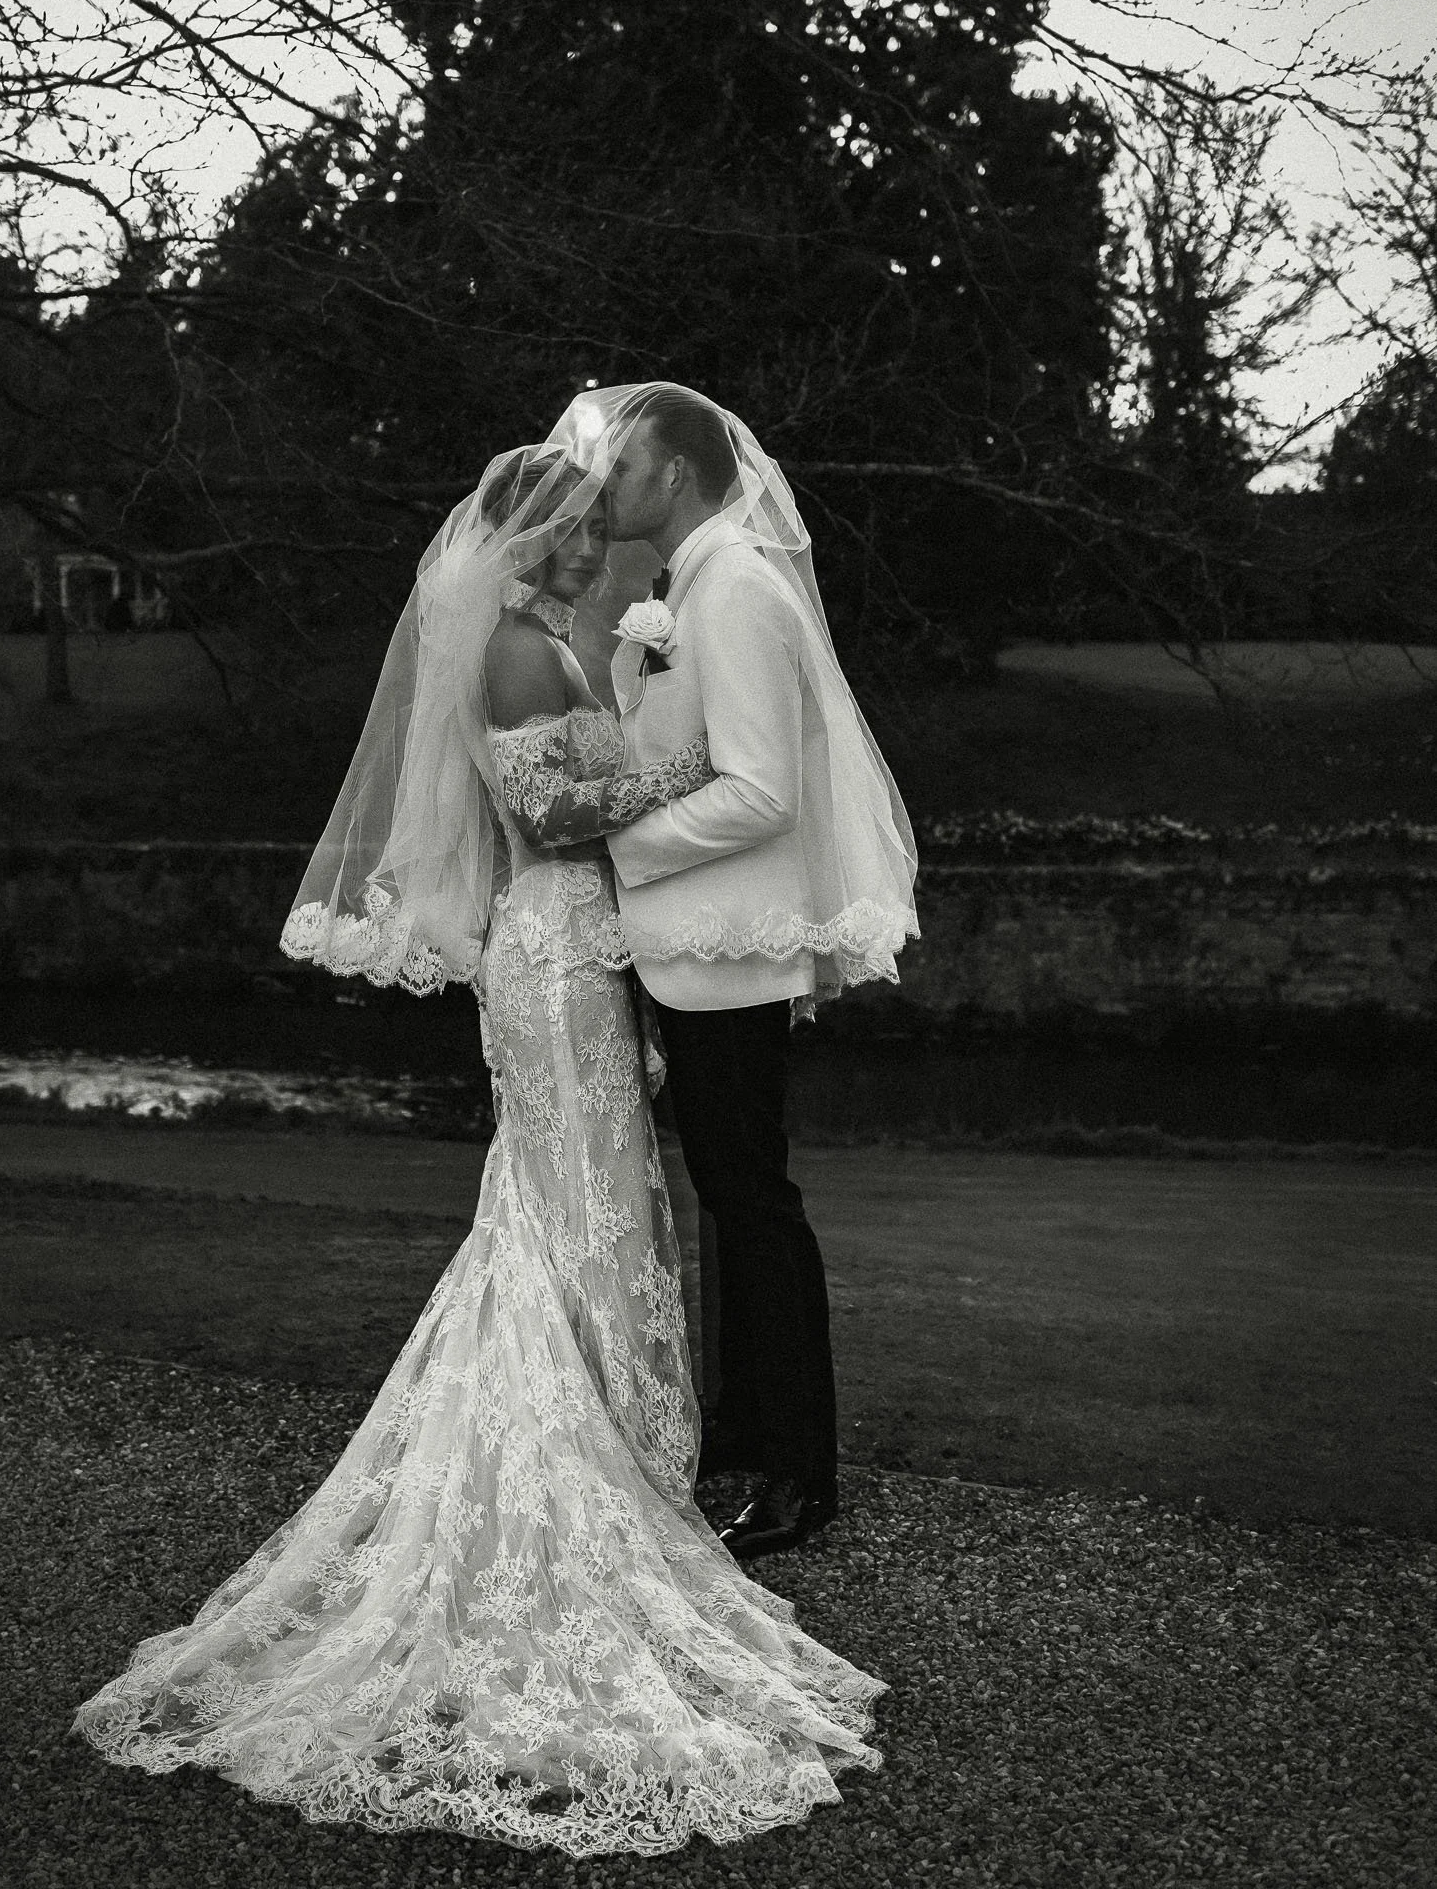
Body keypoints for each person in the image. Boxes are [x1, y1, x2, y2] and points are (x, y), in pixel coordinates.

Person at [71, 419, 903, 1857]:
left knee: (594, 1199)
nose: (593, 542)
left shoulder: (575, 638)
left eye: (600, 519)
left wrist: (655, 765)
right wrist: (668, 781)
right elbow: (544, 812)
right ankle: (584, 1445)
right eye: (573, 527)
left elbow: (611, 786)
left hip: (595, 950)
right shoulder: (516, 650)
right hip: (555, 951)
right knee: (557, 1201)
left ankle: (637, 1443)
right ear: (525, 541)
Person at [599, 385, 919, 1560]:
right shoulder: (695, 582)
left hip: (725, 950)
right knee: (734, 1196)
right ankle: (750, 1426)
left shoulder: (732, 588)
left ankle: (799, 1473)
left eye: (624, 464)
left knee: (755, 1203)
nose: (608, 485)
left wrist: (619, 850)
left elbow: (762, 792)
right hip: (698, 950)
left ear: (675, 472)